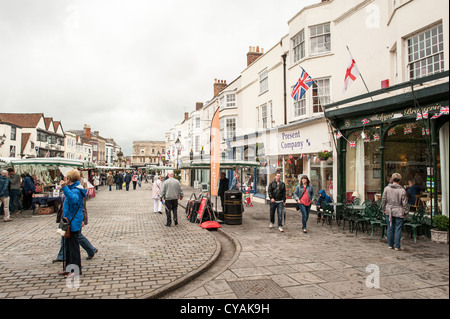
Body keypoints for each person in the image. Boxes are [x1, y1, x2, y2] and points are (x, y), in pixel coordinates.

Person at [59, 169, 86, 278]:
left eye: (66, 177)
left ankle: (75, 269)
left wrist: (65, 188)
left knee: (73, 246)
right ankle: (69, 268)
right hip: (69, 220)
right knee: (68, 246)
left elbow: (74, 200)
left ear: (69, 178)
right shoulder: (72, 188)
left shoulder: (75, 190)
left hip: (73, 222)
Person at [381, 173, 409, 251]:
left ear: (392, 179)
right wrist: (406, 211)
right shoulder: (402, 190)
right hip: (399, 211)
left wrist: (383, 209)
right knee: (398, 229)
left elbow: (383, 200)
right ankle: (397, 246)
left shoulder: (387, 188)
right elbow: (405, 203)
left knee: (390, 228)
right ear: (400, 180)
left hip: (389, 210)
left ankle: (390, 244)